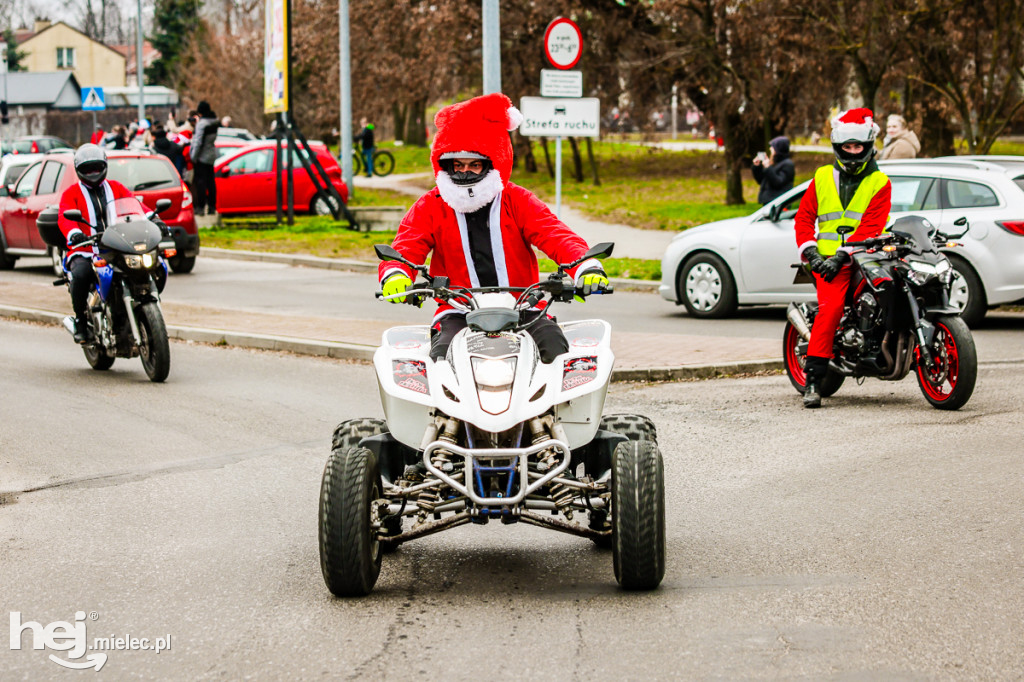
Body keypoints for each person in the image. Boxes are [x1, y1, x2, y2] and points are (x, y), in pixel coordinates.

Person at [378, 93, 610, 363]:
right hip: (457, 310)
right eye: (457, 165)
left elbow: (554, 234)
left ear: (492, 163)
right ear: (445, 165)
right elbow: (407, 244)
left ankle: (553, 408)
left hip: (523, 305)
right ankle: (442, 408)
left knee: (556, 351)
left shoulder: (517, 200)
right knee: (441, 359)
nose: (465, 172)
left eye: (474, 165)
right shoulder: (431, 205)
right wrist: (396, 274)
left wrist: (586, 266)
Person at [793, 108, 892, 408]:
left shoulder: (880, 182)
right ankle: (813, 380)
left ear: (867, 146)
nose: (852, 152)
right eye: (847, 147)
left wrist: (844, 254)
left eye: (857, 146)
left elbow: (872, 225)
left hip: (866, 255)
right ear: (838, 147)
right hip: (826, 263)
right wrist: (811, 252)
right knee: (832, 308)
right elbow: (804, 218)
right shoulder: (822, 177)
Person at [58, 144, 135, 343]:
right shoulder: (71, 193)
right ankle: (81, 322)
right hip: (85, 250)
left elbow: (134, 205)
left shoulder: (116, 187)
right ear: (79, 170)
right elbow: (64, 217)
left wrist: (153, 219)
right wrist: (74, 233)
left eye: (96, 167)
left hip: (116, 247)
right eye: (87, 169)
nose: (92, 173)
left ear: (104, 166)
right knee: (81, 274)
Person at [190, 101, 220, 215]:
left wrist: (193, 156)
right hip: (211, 155)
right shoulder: (215, 122)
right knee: (211, 182)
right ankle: (212, 206)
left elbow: (197, 142)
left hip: (201, 158)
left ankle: (201, 207)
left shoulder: (202, 124)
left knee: (201, 183)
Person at [751, 135, 795, 205]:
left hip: (779, 202)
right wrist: (757, 167)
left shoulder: (787, 164)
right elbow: (761, 180)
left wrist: (768, 167)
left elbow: (778, 182)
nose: (770, 149)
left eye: (773, 147)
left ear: (779, 148)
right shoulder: (774, 163)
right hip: (770, 201)